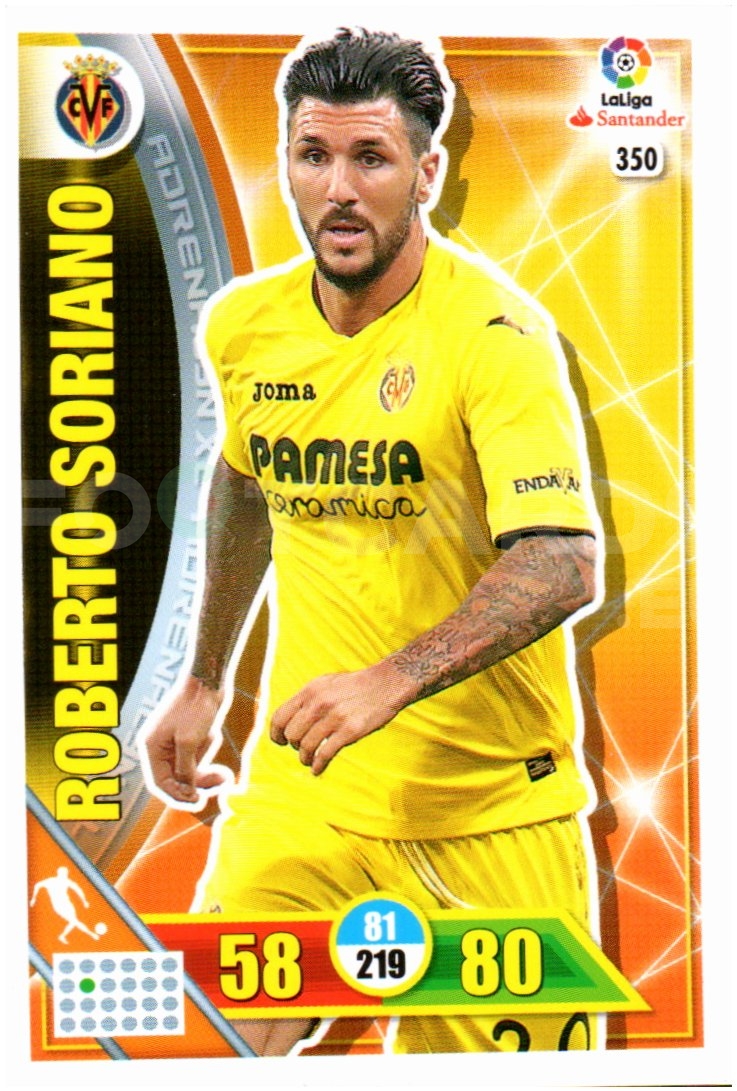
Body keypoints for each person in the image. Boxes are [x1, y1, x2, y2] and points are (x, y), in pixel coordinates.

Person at [144, 27, 602, 1056]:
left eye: (371, 158)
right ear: (286, 163)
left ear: (426, 174)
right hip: (306, 794)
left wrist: (390, 679)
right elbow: (247, 483)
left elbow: (560, 560)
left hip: (488, 808)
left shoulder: (495, 339)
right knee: (216, 1041)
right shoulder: (246, 326)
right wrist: (206, 678)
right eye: (313, 156)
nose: (339, 190)